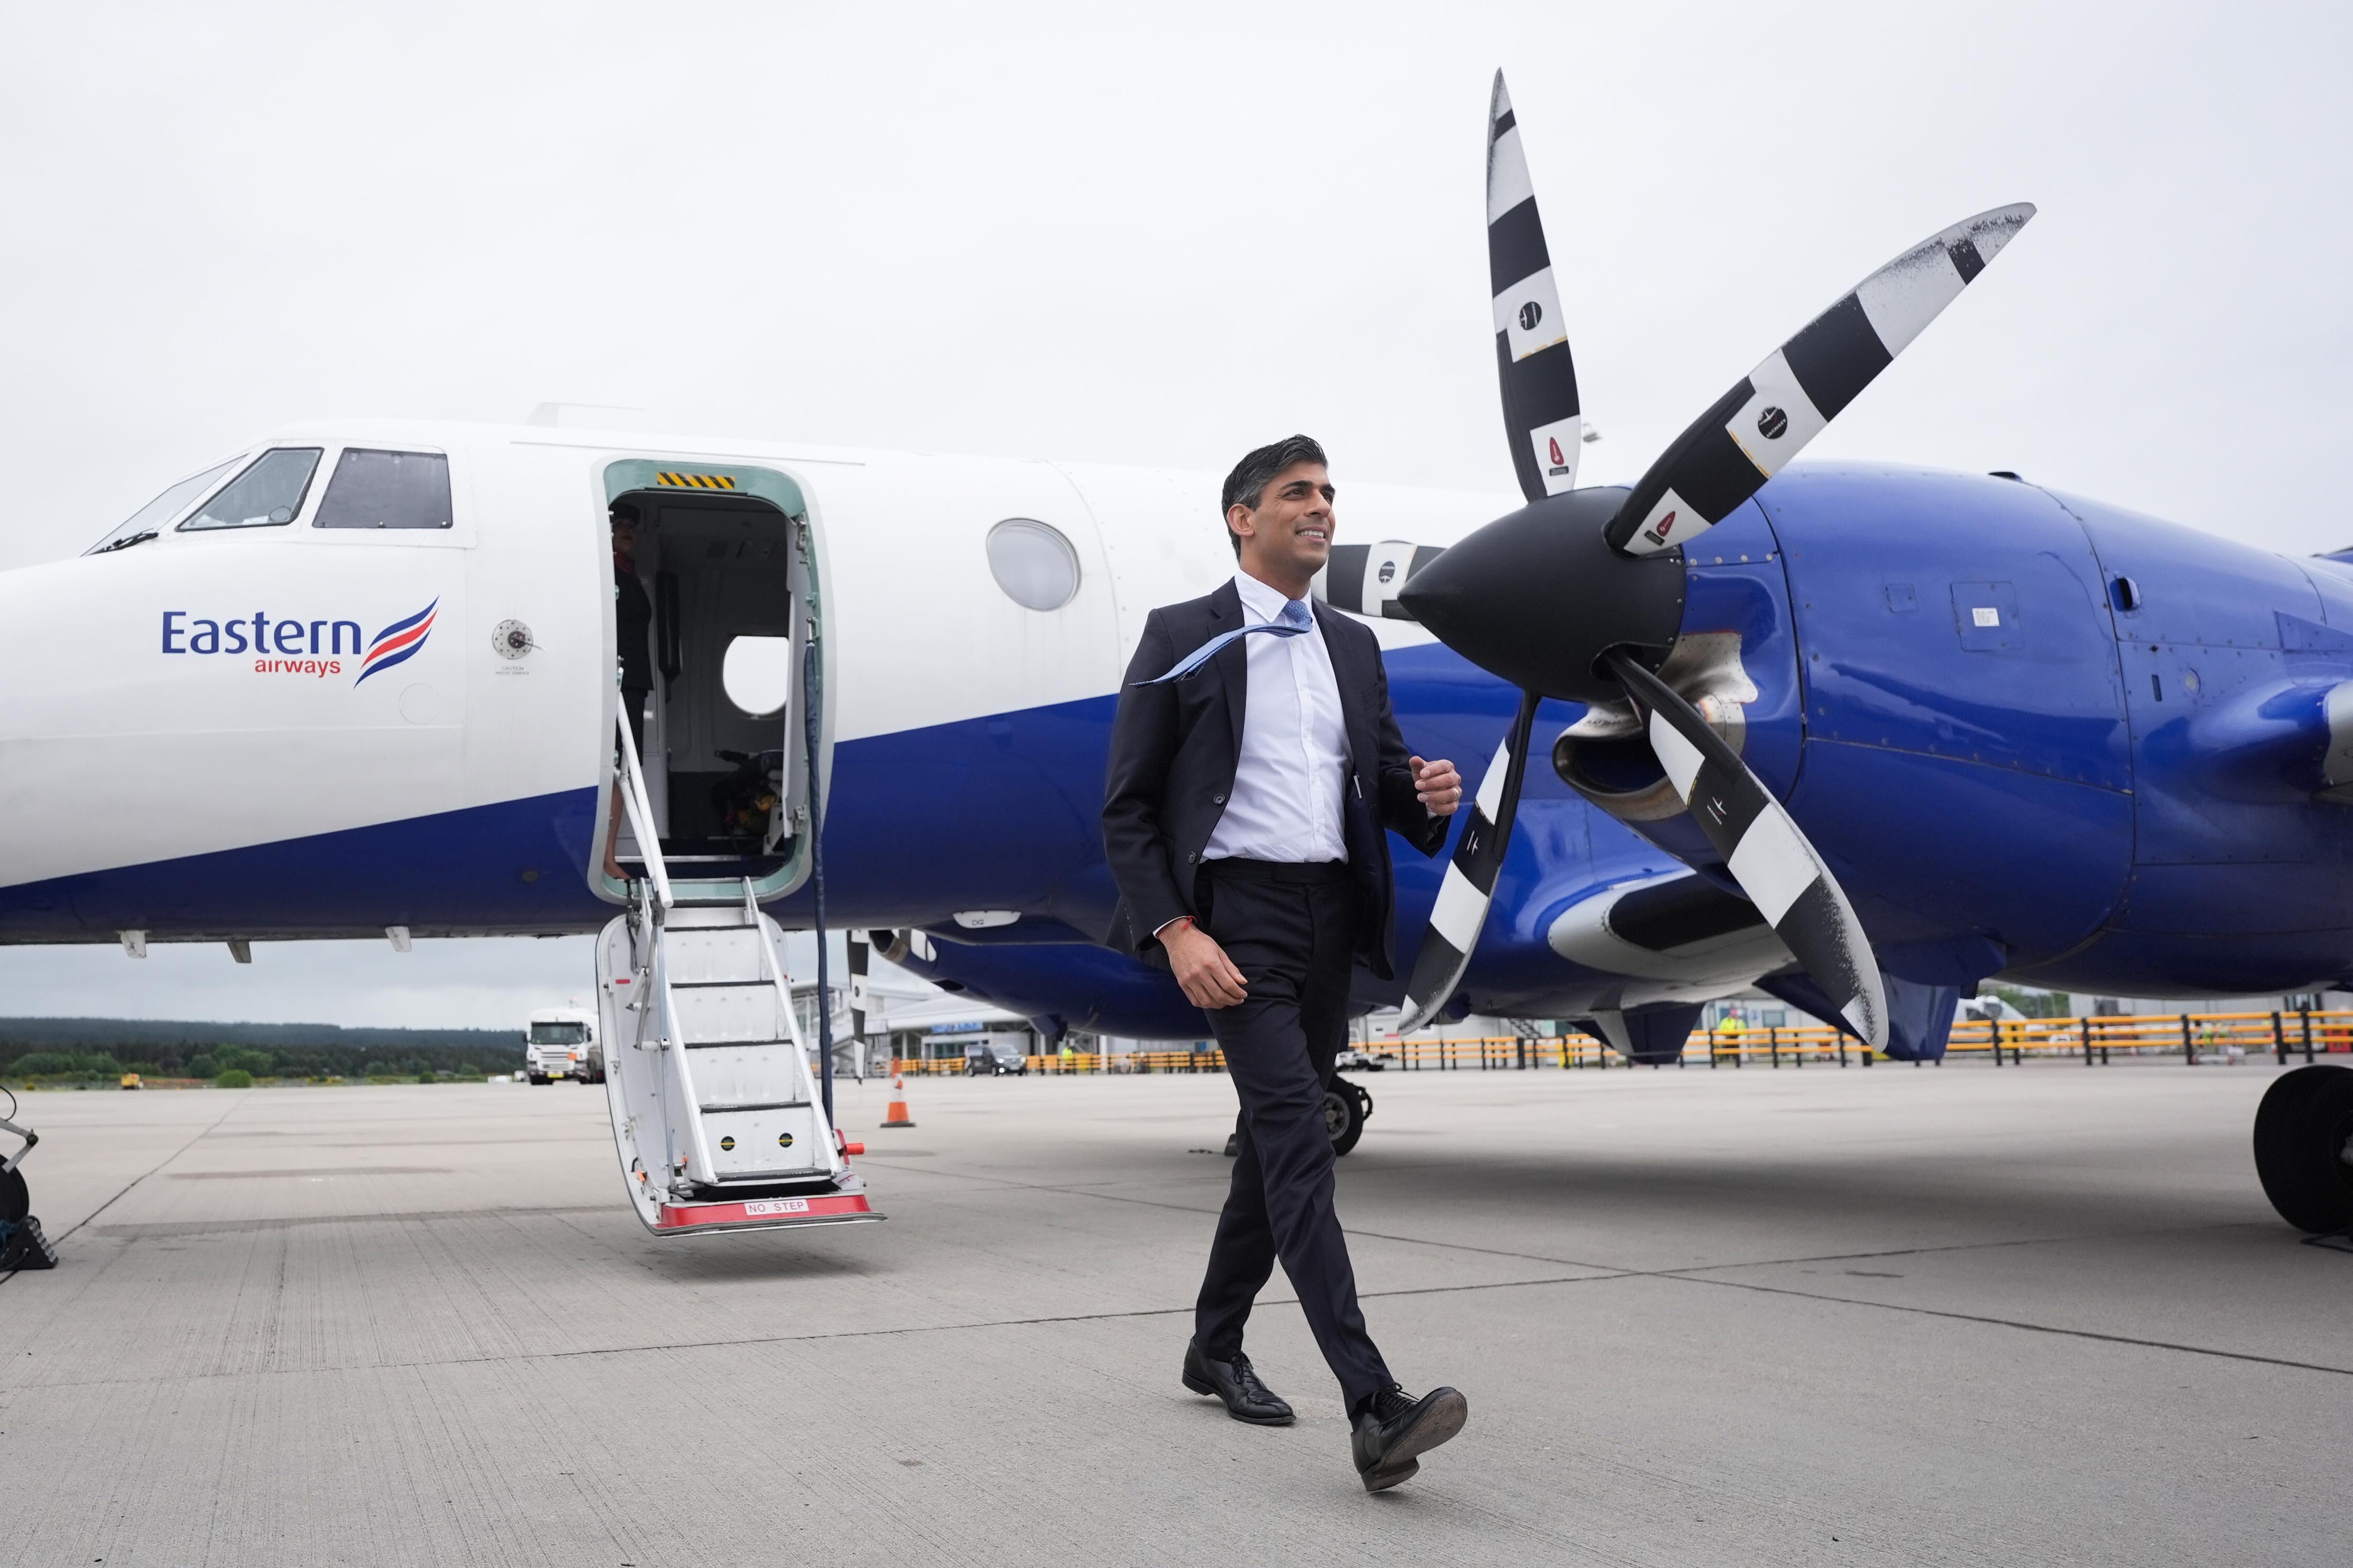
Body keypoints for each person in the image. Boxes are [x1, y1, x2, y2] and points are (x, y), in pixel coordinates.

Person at [1101, 434, 1470, 1493]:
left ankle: (1214, 1343)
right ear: (1241, 516)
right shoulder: (1183, 637)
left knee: (1276, 1149)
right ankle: (1373, 1403)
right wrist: (1178, 931)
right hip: (1238, 918)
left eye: (1326, 495)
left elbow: (1377, 786)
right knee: (1301, 1141)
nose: (1320, 508)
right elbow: (1127, 808)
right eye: (1297, 494)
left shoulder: (1353, 646)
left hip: (1328, 918)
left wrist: (1421, 798)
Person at [602, 502, 655, 880]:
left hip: (633, 683)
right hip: (616, 683)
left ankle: (608, 853)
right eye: (619, 524)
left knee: (623, 769)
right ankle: (605, 856)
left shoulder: (629, 574)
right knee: (614, 768)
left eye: (632, 526)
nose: (627, 530)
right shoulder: (605, 574)